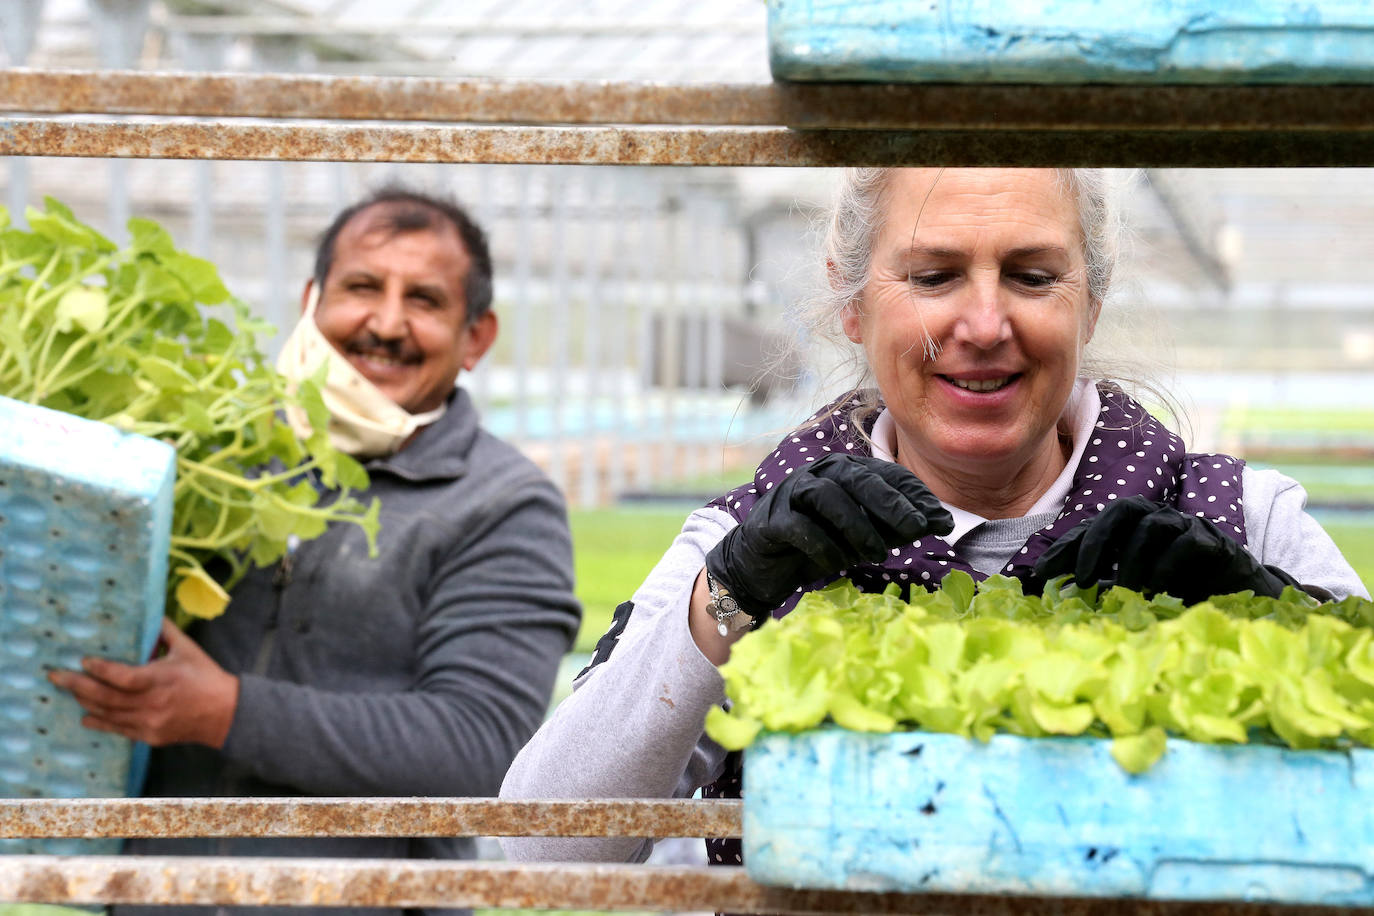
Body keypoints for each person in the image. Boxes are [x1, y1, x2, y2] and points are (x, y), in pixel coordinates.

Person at [497, 167, 1369, 867]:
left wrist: (1277, 617)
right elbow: (542, 849)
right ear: (852, 300)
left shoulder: (1244, 519)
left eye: (1032, 276)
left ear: (1090, 302)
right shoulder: (746, 543)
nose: (984, 324)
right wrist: (724, 602)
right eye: (933, 275)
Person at [49, 186, 582, 915]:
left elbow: (480, 744)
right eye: (362, 287)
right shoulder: (213, 453)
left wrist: (225, 712)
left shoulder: (503, 504)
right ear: (310, 301)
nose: (386, 323)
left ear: (476, 338)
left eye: (424, 300)